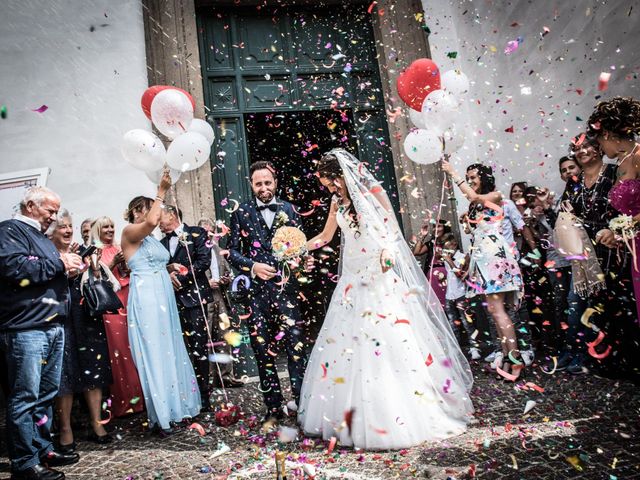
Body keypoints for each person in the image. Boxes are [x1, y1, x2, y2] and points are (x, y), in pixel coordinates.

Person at [298, 149, 473, 450]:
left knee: (386, 345)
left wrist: (389, 252)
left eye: (330, 183)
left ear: (341, 175)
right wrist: (298, 247)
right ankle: (348, 416)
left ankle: (396, 415)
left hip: (378, 279)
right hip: (352, 283)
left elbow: (391, 231)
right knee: (346, 349)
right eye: (326, 186)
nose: (330, 189)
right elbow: (326, 237)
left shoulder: (373, 192)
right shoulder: (335, 202)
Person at [0, 187, 83, 480]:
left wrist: (67, 270)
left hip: (51, 326)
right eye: (50, 210)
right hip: (26, 328)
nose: (54, 216)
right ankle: (24, 463)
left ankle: (42, 448)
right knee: (25, 396)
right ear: (31, 205)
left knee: (45, 395)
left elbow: (45, 270)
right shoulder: (9, 231)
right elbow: (13, 267)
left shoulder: (42, 238)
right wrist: (60, 263)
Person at [226, 161, 311, 422]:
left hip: (286, 292)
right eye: (258, 183)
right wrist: (253, 267)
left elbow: (300, 245)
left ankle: (301, 403)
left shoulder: (289, 209)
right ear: (252, 185)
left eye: (267, 182)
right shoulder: (241, 213)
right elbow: (232, 252)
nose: (264, 187)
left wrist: (302, 260)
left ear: (275, 183)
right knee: (262, 351)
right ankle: (273, 408)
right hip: (257, 296)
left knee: (295, 348)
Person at [121, 172, 201, 432]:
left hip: (163, 295)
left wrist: (169, 270)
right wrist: (162, 190)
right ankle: (161, 416)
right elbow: (154, 220)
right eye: (148, 208)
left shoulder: (152, 240)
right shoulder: (130, 232)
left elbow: (154, 261)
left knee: (171, 349)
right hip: (146, 299)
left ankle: (177, 408)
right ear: (136, 212)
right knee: (155, 353)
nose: (155, 214)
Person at [555, 133, 637, 379]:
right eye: (576, 149)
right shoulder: (574, 180)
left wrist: (615, 230)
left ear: (598, 149)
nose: (581, 151)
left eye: (586, 147)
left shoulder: (614, 173)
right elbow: (568, 210)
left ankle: (621, 359)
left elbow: (626, 206)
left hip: (613, 247)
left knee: (615, 303)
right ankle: (590, 357)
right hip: (584, 252)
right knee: (579, 304)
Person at [442, 161, 525, 379]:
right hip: (483, 258)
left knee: (498, 310)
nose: (470, 181)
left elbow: (475, 198)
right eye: (468, 178)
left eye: (473, 177)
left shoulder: (495, 195)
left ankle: (515, 360)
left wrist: (453, 173)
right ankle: (508, 357)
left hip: (494, 257)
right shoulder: (477, 205)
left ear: (484, 178)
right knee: (495, 311)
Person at [49, 210, 113, 451]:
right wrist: (64, 273)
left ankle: (97, 423)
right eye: (62, 227)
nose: (67, 230)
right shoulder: (47, 254)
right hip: (60, 317)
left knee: (93, 369)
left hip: (85, 316)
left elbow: (98, 282)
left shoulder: (79, 252)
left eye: (70, 226)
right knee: (65, 373)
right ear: (50, 231)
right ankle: (65, 428)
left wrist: (94, 266)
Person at [588, 96, 640, 325]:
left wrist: (622, 228)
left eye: (598, 140)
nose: (598, 146)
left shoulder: (639, 157)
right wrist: (617, 234)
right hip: (635, 248)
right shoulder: (620, 164)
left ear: (607, 134)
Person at [159, 205, 213, 409]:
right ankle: (185, 397)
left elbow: (203, 262)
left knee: (199, 348)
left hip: (194, 300)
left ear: (172, 215)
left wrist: (180, 275)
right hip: (171, 302)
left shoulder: (198, 233)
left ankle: (204, 397)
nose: (157, 222)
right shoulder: (161, 243)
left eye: (160, 217)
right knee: (179, 350)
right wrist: (167, 275)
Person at [90, 216, 144, 418]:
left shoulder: (120, 246)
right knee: (120, 353)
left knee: (134, 349)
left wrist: (126, 264)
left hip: (129, 299)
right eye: (106, 226)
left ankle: (141, 399)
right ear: (98, 230)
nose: (110, 229)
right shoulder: (95, 252)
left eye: (112, 226)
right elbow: (96, 279)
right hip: (112, 306)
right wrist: (113, 262)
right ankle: (125, 402)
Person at [197, 218, 244, 388]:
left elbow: (228, 272)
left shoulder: (218, 249)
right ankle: (209, 379)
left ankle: (226, 376)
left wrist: (226, 279)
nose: (208, 235)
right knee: (206, 337)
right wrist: (205, 284)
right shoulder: (194, 250)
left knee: (224, 336)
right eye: (205, 232)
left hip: (220, 297)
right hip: (203, 298)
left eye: (211, 232)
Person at [440, 233, 481, 360]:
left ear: (455, 244)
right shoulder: (447, 257)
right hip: (449, 295)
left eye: (448, 247)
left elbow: (460, 274)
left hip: (461, 294)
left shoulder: (463, 257)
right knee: (453, 324)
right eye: (444, 248)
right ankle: (455, 350)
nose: (446, 251)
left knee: (467, 323)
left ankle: (475, 348)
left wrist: (450, 261)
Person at [413, 218, 450, 306]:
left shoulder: (451, 242)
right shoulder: (430, 244)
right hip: (432, 276)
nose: (436, 229)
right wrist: (423, 236)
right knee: (435, 303)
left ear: (445, 228)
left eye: (439, 226)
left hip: (446, 276)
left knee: (447, 302)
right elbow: (416, 252)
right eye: (434, 227)